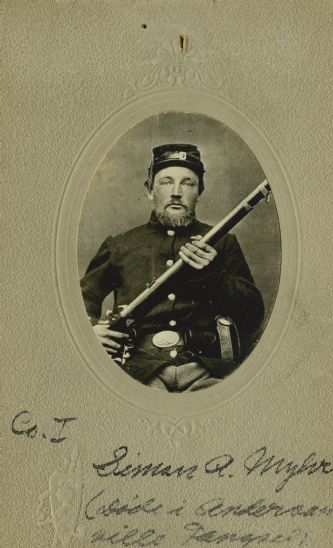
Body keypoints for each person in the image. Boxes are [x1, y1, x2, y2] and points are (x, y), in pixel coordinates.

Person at [80, 144, 264, 392]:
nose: (176, 192)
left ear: (199, 192)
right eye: (166, 182)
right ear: (149, 190)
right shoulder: (119, 245)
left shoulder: (223, 242)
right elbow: (81, 301)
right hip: (138, 373)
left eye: (188, 183)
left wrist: (213, 275)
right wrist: (89, 332)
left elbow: (252, 316)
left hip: (206, 371)